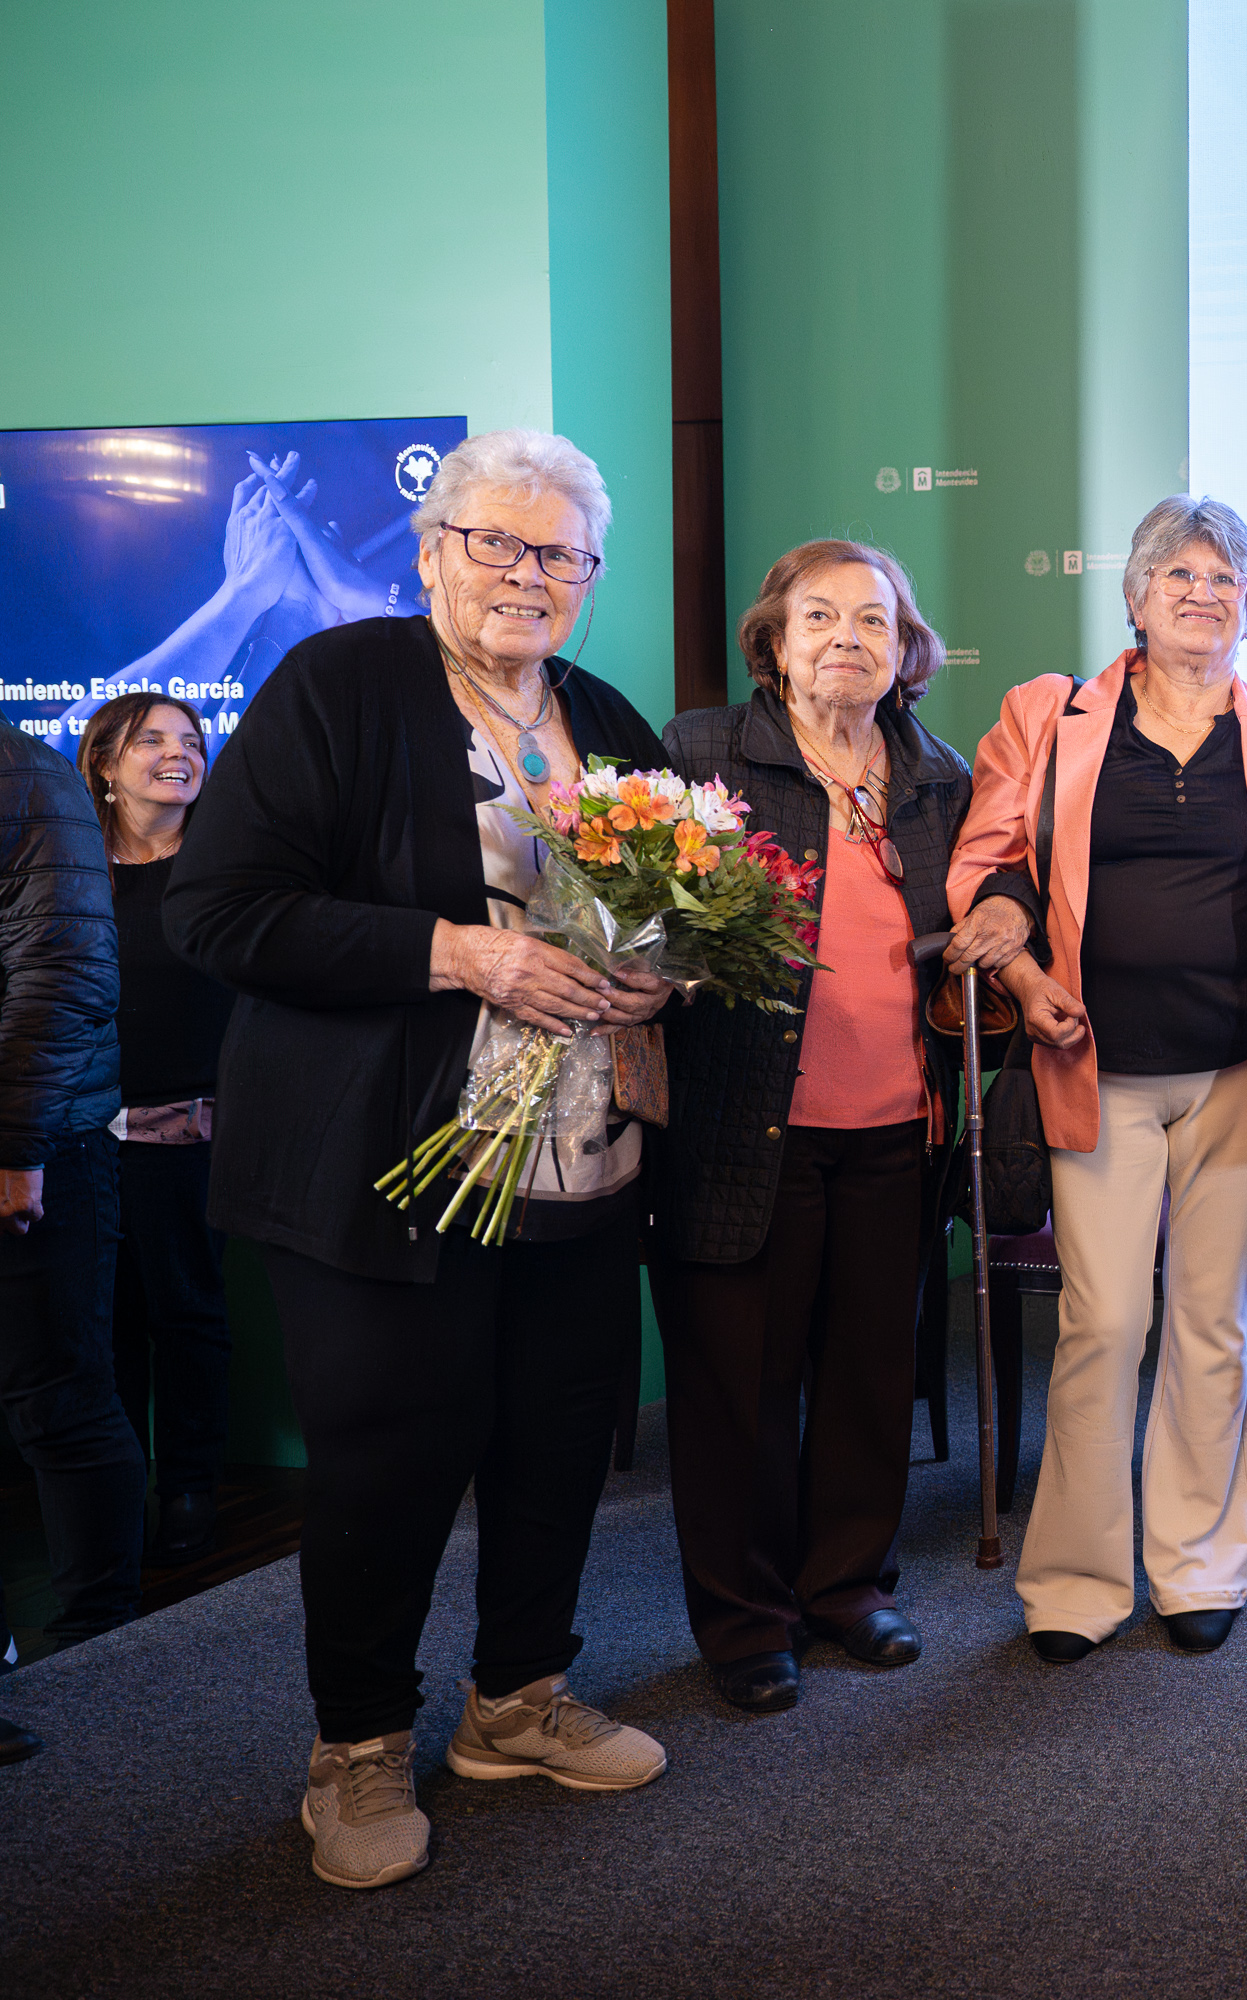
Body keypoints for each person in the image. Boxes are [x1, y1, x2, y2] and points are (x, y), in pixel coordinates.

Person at [166, 428, 671, 1890]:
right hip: (384, 1169)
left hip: (580, 1162)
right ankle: (359, 1752)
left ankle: (517, 1701)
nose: (529, 574)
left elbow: (663, 915)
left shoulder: (606, 718)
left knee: (561, 1441)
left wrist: (656, 976)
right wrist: (455, 954)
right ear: (432, 549)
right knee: (391, 1461)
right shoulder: (343, 687)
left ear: (588, 577)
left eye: (560, 553)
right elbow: (220, 908)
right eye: (497, 543)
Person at [944, 496, 1247, 1666]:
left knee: (1211, 1322)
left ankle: (1198, 1565)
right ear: (1132, 597)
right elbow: (984, 865)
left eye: (1225, 578)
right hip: (1095, 1066)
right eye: (1176, 574)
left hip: (1235, 1069)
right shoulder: (1052, 714)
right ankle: (1076, 1579)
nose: (1200, 593)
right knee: (1105, 1320)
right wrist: (1024, 979)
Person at [656, 542, 973, 1715]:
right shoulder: (703, 753)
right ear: (774, 642)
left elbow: (996, 890)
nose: (849, 637)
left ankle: (849, 1584)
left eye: (874, 621)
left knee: (870, 1369)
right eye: (821, 617)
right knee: (742, 1380)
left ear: (907, 650)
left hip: (899, 1120)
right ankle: (747, 1618)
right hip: (749, 1123)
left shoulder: (936, 772)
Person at [0, 721, 140, 1764]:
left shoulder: (26, 774)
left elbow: (64, 967)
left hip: (37, 1148)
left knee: (60, 1400)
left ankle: (111, 1660)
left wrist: (17, 1141)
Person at [79, 693, 237, 1564]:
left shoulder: (226, 871)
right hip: (84, 1146)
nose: (179, 753)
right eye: (153, 740)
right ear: (106, 765)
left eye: (192, 741)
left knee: (188, 1320)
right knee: (103, 1326)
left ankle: (188, 1488)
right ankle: (111, 1490)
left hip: (199, 1144)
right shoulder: (68, 874)